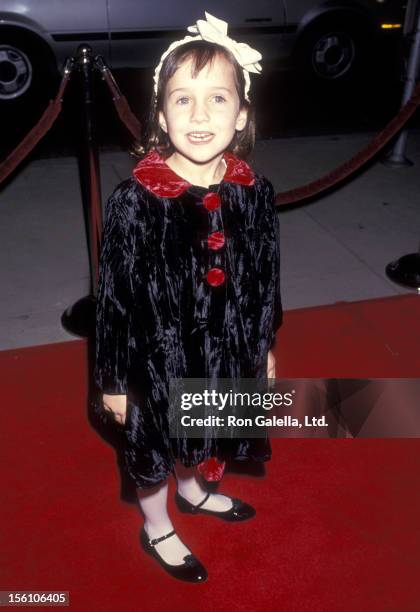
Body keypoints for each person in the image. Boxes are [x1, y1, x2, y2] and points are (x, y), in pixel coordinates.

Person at [94, 12, 282, 583]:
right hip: (156, 360)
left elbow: (266, 274)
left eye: (217, 98)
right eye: (182, 100)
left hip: (225, 351)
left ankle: (194, 489)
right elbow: (113, 300)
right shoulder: (137, 200)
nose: (200, 116)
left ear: (242, 113)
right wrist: (113, 381)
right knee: (154, 447)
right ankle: (157, 525)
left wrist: (265, 346)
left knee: (204, 428)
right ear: (159, 114)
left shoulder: (255, 190)